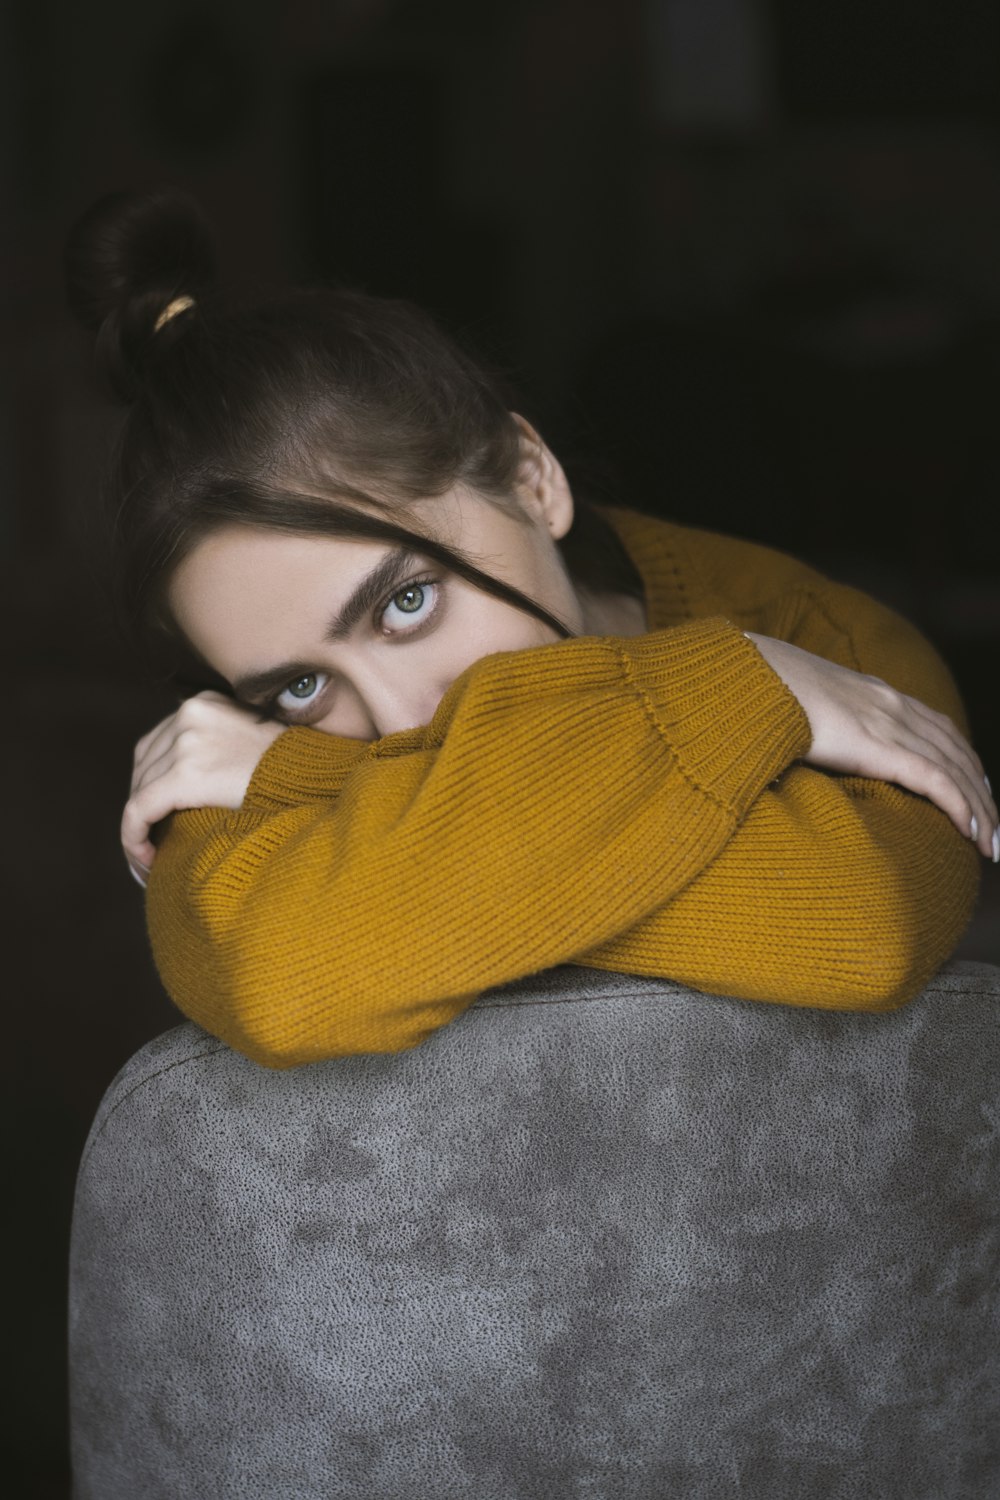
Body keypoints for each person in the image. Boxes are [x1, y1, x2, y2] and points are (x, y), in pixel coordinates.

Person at [67, 189, 997, 1069]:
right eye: (300, 687)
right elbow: (275, 981)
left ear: (530, 476)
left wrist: (329, 797)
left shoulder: (825, 642)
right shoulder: (218, 755)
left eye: (406, 601)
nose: (401, 721)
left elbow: (863, 925)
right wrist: (738, 694)